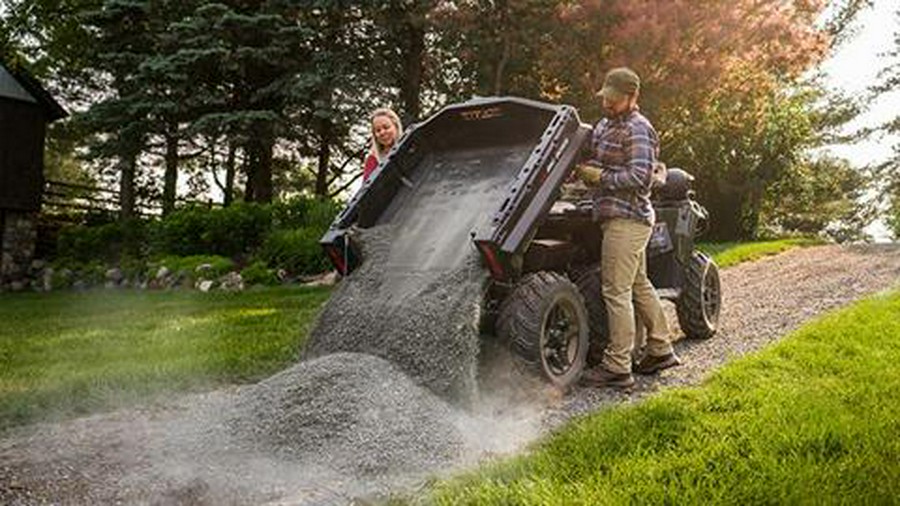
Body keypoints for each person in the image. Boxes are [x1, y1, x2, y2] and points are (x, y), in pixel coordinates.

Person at [577, 67, 681, 389]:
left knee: (615, 290)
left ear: (631, 97)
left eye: (613, 98)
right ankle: (661, 349)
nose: (606, 102)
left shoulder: (639, 129)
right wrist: (587, 170)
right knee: (637, 285)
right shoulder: (604, 125)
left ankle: (618, 366)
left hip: (629, 219)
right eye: (604, 96)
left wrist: (602, 178)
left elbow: (640, 176)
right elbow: (598, 159)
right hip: (614, 216)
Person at [363, 108, 403, 182]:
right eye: (378, 130)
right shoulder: (373, 160)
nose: (382, 132)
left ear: (396, 127)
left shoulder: (409, 148)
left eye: (386, 127)